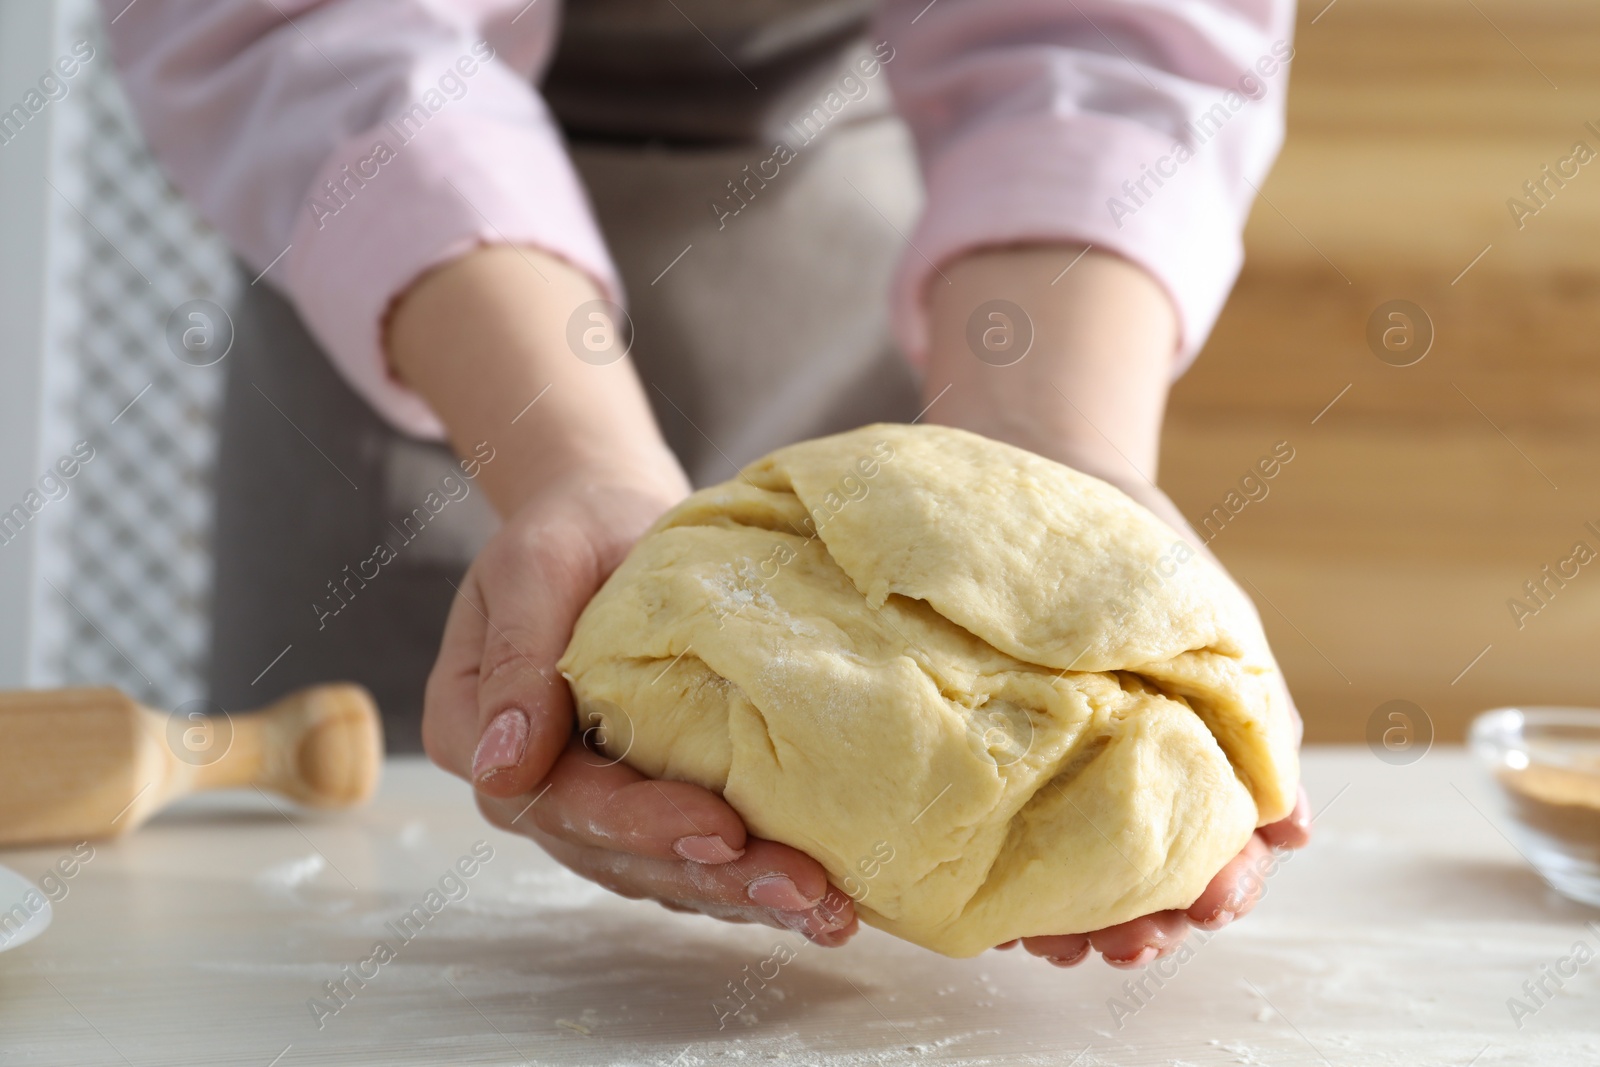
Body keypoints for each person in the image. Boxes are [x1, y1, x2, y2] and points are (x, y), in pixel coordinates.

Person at [103, 0, 1312, 967]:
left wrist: (1054, 448)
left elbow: (1098, 29)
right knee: (347, 919)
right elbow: (307, 25)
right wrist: (569, 464)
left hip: (887, 250)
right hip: (413, 280)